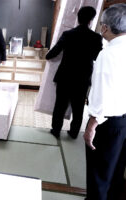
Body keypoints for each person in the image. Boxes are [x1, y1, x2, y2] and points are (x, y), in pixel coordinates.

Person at [84, 3, 126, 200]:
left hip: (108, 122)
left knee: (98, 173)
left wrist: (92, 124)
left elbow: (101, 94)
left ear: (106, 27)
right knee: (116, 171)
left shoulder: (108, 54)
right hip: (124, 122)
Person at [45, 6, 102, 139]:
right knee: (78, 108)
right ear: (91, 20)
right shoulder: (96, 38)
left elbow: (54, 52)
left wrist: (47, 56)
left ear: (78, 18)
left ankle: (56, 130)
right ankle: (74, 132)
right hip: (82, 78)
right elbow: (96, 57)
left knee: (60, 105)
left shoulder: (68, 34)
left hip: (65, 76)